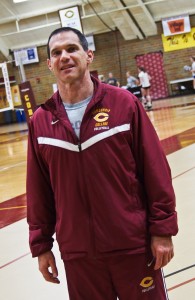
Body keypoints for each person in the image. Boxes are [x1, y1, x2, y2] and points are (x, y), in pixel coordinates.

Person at [27, 26, 178, 300]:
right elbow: (39, 190)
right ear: (49, 64)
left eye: (72, 49)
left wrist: (162, 231)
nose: (65, 57)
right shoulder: (41, 121)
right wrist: (41, 245)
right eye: (56, 53)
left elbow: (155, 171)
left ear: (89, 55)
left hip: (132, 245)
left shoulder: (125, 105)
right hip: (79, 254)